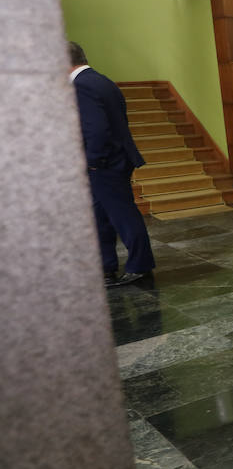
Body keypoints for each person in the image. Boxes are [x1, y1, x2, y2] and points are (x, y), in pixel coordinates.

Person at [68, 41, 155, 287]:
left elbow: (96, 128)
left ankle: (140, 265)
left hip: (105, 163)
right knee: (100, 215)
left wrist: (93, 161)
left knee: (123, 214)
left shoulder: (81, 85)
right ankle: (106, 266)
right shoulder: (101, 80)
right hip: (114, 159)